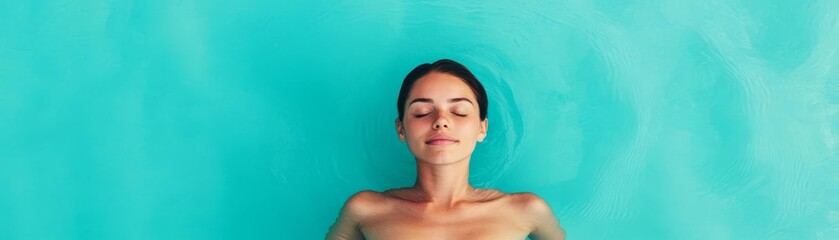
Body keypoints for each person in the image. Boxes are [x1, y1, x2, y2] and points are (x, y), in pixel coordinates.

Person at [326, 59, 566, 240]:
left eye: (459, 112)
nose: (441, 121)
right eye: (421, 112)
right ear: (401, 129)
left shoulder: (527, 210)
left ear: (482, 129)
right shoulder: (365, 210)